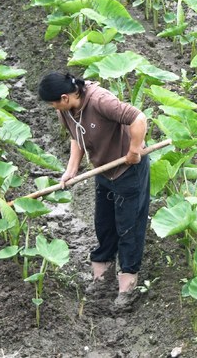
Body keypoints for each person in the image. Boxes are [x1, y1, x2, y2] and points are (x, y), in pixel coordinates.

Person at [38, 72, 150, 309]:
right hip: (103, 170)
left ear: (65, 96)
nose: (53, 108)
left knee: (128, 227)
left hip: (128, 171)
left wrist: (133, 150)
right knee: (104, 224)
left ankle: (126, 287)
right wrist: (71, 169)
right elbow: (76, 137)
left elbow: (138, 118)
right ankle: (102, 277)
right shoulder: (65, 110)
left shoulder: (100, 101)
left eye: (53, 103)